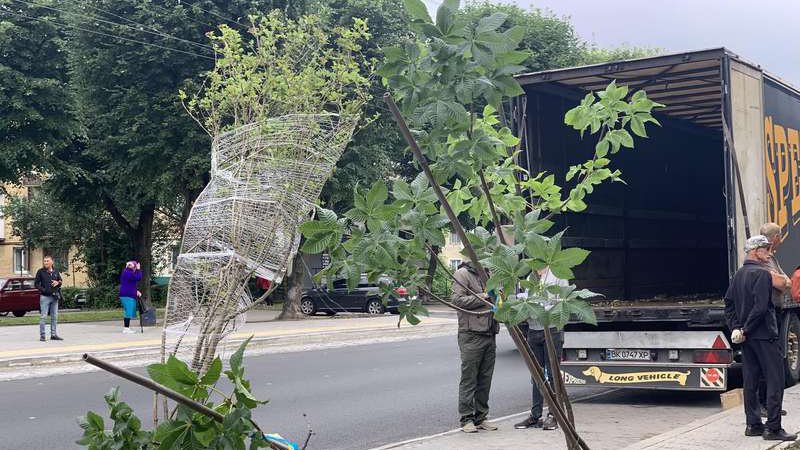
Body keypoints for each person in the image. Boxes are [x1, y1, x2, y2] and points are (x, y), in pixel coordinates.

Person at [724, 235, 795, 441]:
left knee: (751, 380)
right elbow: (761, 307)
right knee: (775, 380)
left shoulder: (738, 275)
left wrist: (737, 327)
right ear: (755, 251)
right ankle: (773, 428)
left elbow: (728, 303)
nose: (769, 252)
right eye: (765, 249)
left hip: (747, 340)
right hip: (764, 335)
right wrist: (745, 328)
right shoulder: (763, 275)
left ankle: (753, 425)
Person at [451, 261, 500, 433]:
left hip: (489, 333)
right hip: (471, 334)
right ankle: (466, 419)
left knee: (485, 379)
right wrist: (484, 296)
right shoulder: (462, 274)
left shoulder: (487, 274)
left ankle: (481, 417)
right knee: (469, 378)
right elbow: (457, 300)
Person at [515, 267, 565, 431]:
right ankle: (535, 415)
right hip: (533, 330)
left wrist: (539, 310)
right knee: (536, 374)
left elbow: (562, 301)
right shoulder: (531, 276)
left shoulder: (558, 273)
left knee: (552, 375)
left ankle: (554, 415)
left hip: (551, 329)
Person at [757, 223, 792, 418]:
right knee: (767, 360)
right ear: (776, 237)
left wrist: (784, 281)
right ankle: (764, 404)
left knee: (774, 360)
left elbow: (786, 280)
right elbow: (780, 282)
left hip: (773, 313)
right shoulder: (764, 260)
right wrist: (783, 282)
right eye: (779, 235)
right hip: (768, 313)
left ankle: (772, 404)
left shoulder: (771, 257)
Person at [34, 256, 63, 342]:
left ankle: (53, 335)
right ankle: (42, 335)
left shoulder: (55, 271)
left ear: (52, 262)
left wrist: (57, 282)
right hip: (45, 297)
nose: (45, 263)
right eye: (44, 261)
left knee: (54, 316)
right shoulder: (40, 272)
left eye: (47, 261)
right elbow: (36, 284)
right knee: (43, 316)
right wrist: (44, 290)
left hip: (54, 297)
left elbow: (60, 281)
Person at [119, 261, 142, 334]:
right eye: (135, 267)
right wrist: (138, 269)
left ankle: (127, 328)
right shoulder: (128, 272)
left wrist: (136, 291)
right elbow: (138, 277)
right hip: (127, 295)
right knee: (128, 312)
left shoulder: (127, 272)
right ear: (133, 267)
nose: (135, 269)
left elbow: (130, 283)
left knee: (128, 311)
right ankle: (126, 328)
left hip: (126, 293)